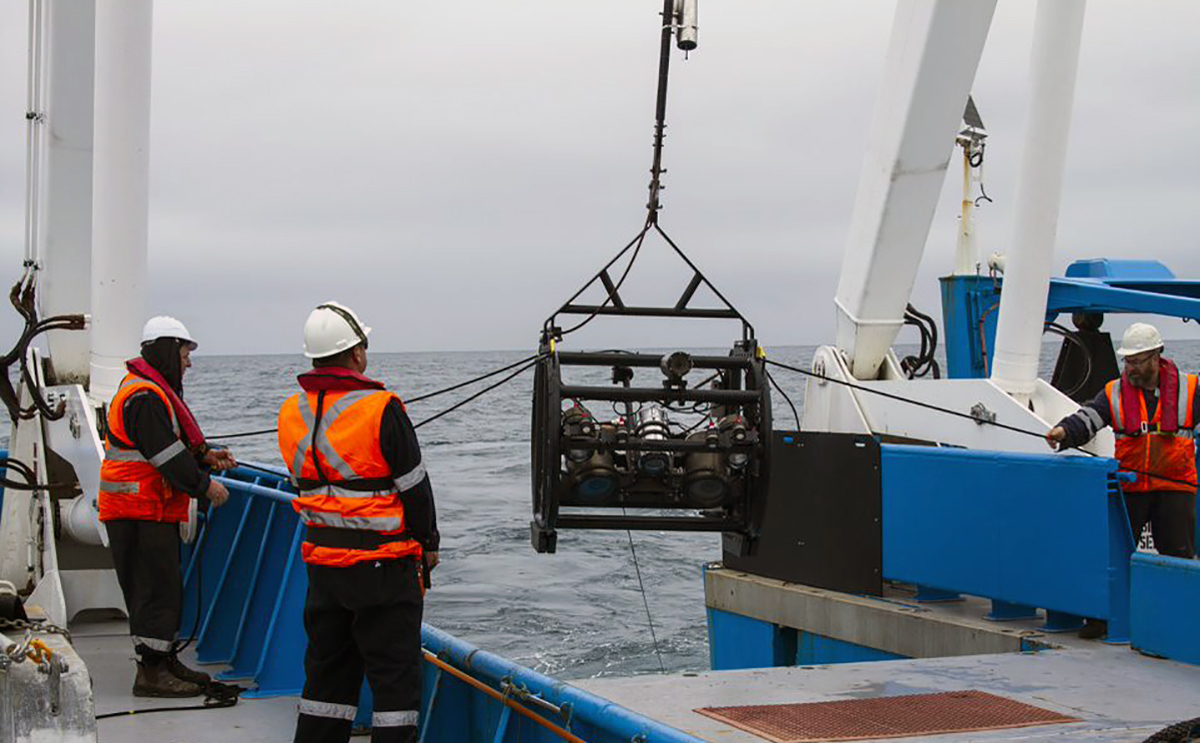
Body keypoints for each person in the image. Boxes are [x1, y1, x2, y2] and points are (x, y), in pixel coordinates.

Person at [278, 301, 439, 743]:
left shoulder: (291, 410)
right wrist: (428, 542)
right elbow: (415, 487)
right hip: (382, 567)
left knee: (326, 680)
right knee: (394, 683)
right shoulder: (381, 408)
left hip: (323, 565)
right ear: (355, 353)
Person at [99, 316, 238, 696]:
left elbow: (166, 448)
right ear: (165, 350)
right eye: (184, 353)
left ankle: (163, 660)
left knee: (162, 589)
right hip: (137, 511)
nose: (188, 363)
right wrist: (204, 486)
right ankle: (150, 675)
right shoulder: (143, 397)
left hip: (147, 511)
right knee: (153, 592)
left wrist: (205, 457)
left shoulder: (145, 392)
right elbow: (163, 454)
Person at [1046, 323, 1198, 637]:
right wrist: (1064, 432)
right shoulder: (1114, 391)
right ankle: (1103, 619)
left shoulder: (1191, 388)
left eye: (1138, 360)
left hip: (1175, 488)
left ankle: (1178, 624)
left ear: (1157, 357)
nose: (1131, 367)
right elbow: (1090, 417)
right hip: (1130, 487)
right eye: (1128, 361)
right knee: (1113, 557)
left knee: (1178, 559)